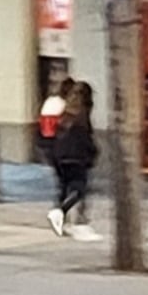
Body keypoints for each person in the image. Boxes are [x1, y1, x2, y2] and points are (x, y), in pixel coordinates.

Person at [47, 81, 101, 238]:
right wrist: (93, 152)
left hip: (60, 156)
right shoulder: (82, 115)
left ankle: (62, 220)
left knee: (64, 189)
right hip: (76, 157)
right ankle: (63, 213)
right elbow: (85, 138)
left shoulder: (66, 113)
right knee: (80, 189)